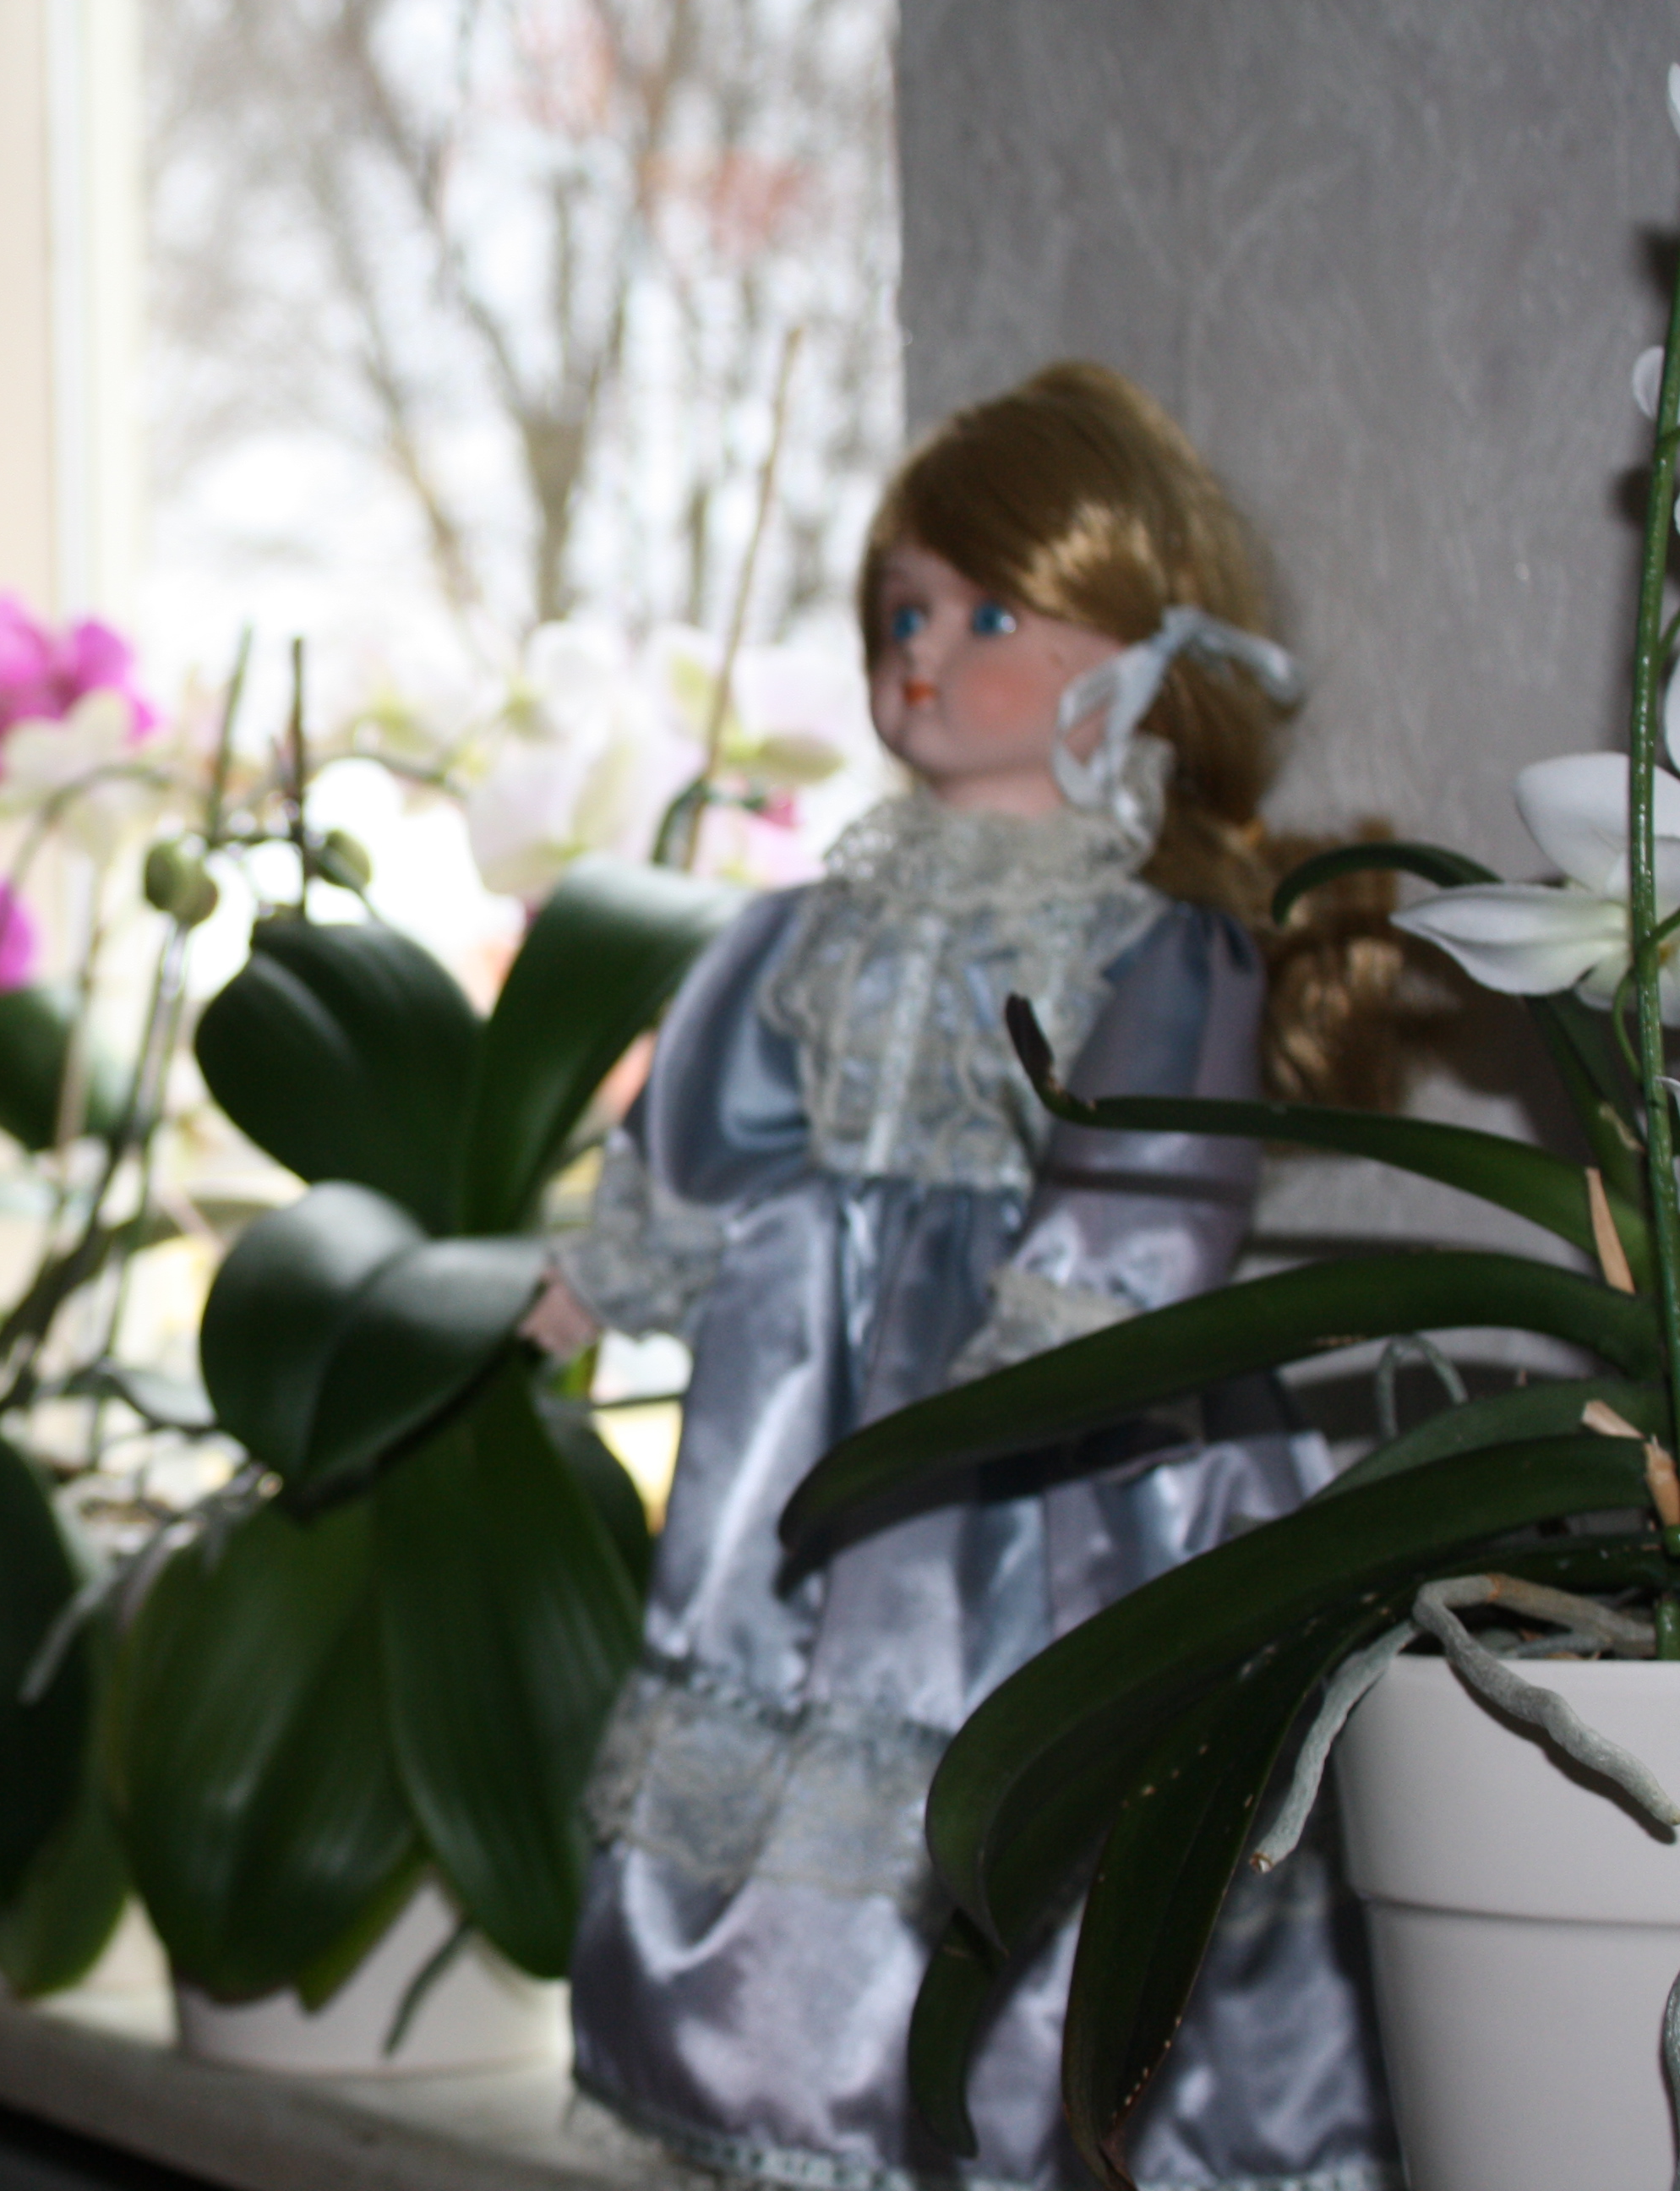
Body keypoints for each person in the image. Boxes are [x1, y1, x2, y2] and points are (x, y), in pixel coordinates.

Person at [540, 362, 1396, 2188]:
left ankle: (1076, 2125)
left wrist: (1048, 1348)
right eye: (901, 615)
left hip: (1073, 1442)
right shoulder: (800, 928)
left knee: (1061, 1769)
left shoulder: (1160, 944)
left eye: (987, 614)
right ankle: (802, 2104)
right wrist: (607, 1274)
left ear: (1143, 649)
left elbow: (1152, 1180)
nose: (924, 656)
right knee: (804, 1773)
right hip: (817, 1436)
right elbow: (710, 1113)